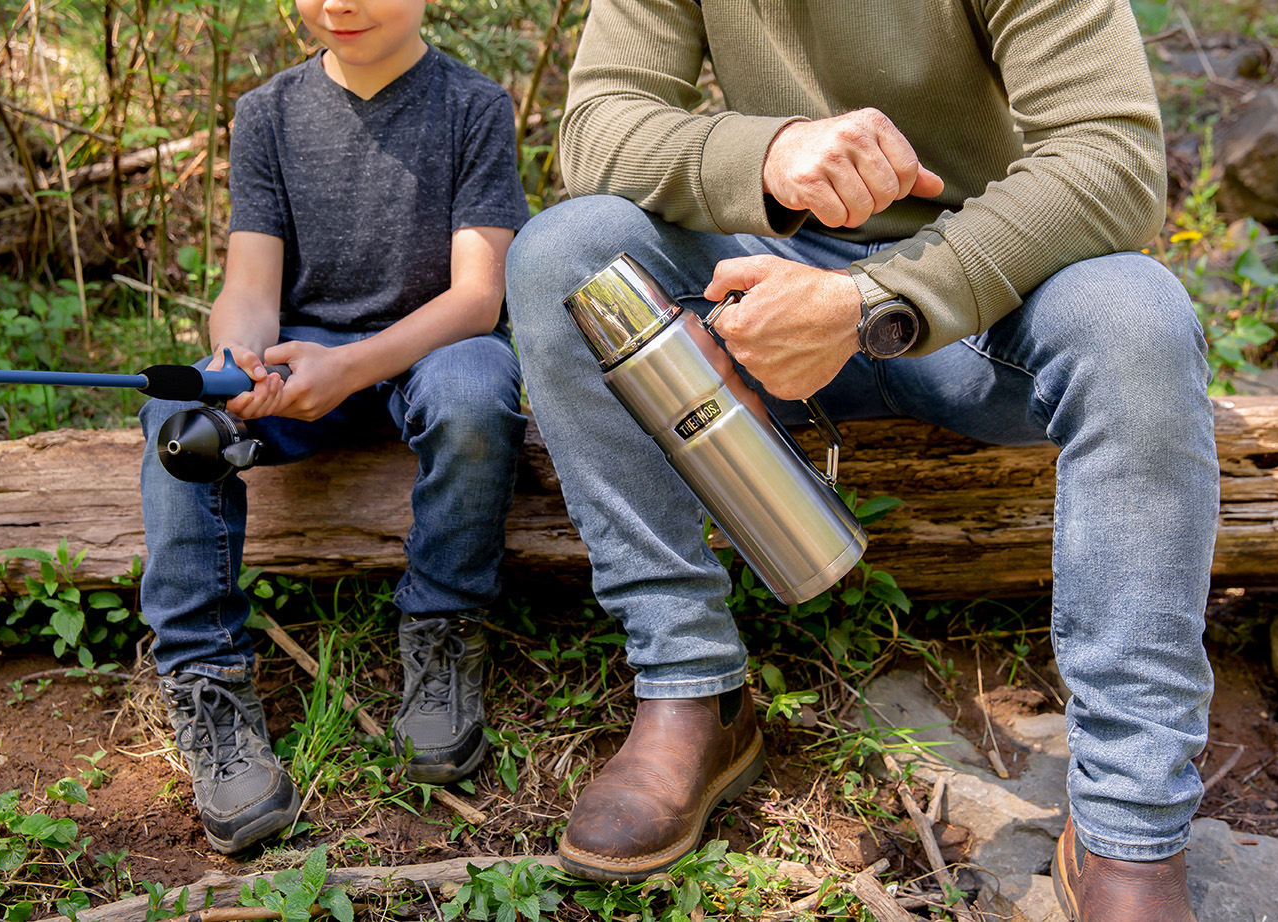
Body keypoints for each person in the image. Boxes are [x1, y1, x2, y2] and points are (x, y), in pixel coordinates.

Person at [504, 0, 1216, 917]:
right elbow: (598, 128)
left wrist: (868, 297)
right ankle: (692, 690)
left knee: (1137, 317)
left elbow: (1112, 160)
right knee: (565, 252)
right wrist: (766, 154)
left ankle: (1130, 824)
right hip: (757, 302)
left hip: (990, 298)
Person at [139, 0, 530, 855]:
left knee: (477, 387)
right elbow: (250, 283)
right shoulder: (268, 112)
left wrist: (352, 367)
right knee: (174, 410)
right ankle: (205, 676)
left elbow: (477, 299)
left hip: (432, 352)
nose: (337, 5)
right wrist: (239, 358)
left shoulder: (473, 106)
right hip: (300, 358)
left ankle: (444, 625)